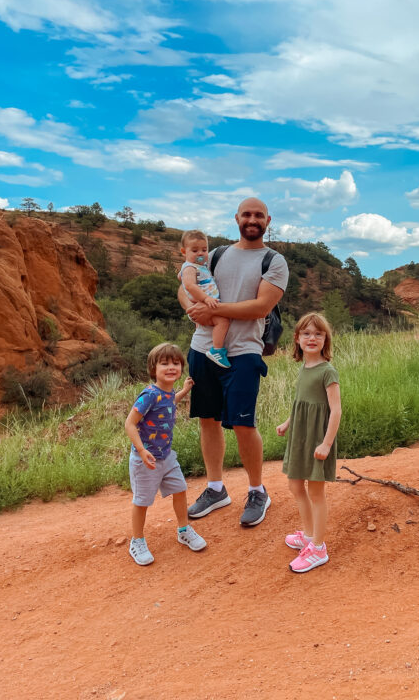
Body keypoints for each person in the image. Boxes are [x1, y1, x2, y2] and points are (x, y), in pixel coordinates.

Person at [182, 197, 289, 527]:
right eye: (247, 214)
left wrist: (212, 310)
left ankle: (258, 491)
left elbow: (259, 307)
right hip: (202, 349)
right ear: (237, 218)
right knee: (208, 419)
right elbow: (184, 286)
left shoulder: (274, 261)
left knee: (243, 424)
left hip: (244, 352)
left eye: (258, 215)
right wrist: (191, 308)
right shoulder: (215, 255)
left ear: (267, 220)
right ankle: (216, 489)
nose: (252, 219)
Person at [124, 343, 207, 566]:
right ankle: (137, 541)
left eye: (176, 363)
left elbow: (170, 402)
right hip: (146, 460)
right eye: (165, 363)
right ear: (154, 368)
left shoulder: (168, 393)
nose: (171, 367)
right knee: (141, 502)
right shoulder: (149, 394)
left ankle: (183, 530)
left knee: (180, 489)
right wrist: (141, 451)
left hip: (167, 456)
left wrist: (184, 390)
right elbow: (130, 424)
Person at [275, 312, 341, 573]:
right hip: (300, 436)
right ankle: (308, 532)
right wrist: (287, 422)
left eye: (318, 333)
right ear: (297, 339)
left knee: (315, 491)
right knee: (294, 485)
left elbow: (335, 410)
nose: (312, 338)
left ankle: (319, 547)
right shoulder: (304, 368)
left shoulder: (328, 371)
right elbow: (301, 405)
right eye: (306, 334)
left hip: (317, 438)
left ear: (326, 340)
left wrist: (326, 444)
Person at [178, 230, 231, 369]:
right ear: (184, 252)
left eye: (204, 249)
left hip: (203, 304)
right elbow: (189, 285)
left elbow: (182, 278)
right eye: (195, 250)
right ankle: (217, 350)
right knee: (223, 321)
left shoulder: (197, 267)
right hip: (203, 304)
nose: (200, 253)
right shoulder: (190, 268)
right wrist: (206, 299)